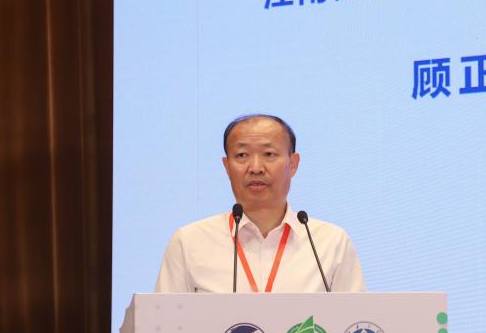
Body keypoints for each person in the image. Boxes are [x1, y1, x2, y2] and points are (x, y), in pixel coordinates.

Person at [155, 114, 366, 293]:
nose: (256, 168)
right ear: (227, 166)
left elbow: (356, 321)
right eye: (242, 155)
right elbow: (163, 323)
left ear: (293, 164)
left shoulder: (330, 243)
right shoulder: (189, 242)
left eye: (269, 154)